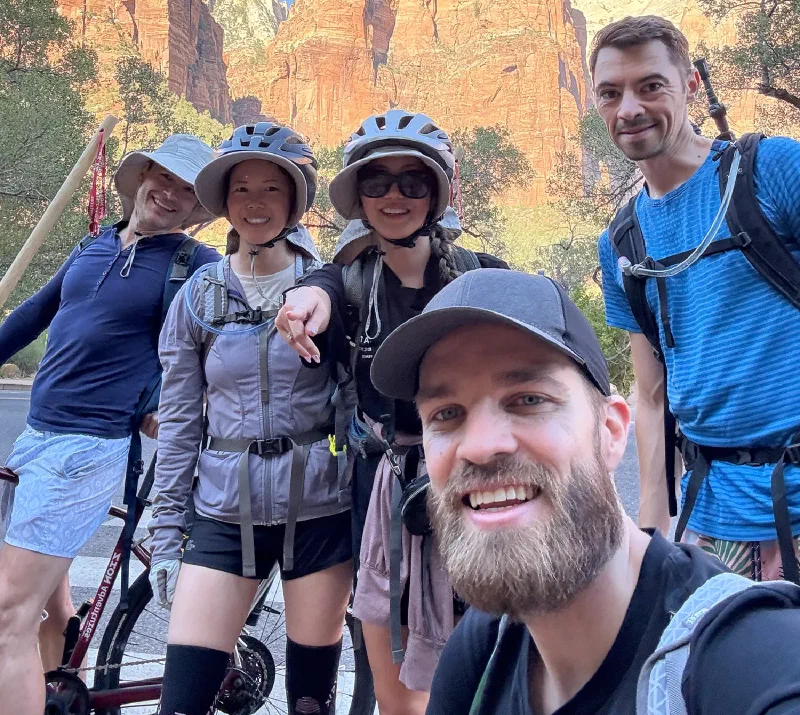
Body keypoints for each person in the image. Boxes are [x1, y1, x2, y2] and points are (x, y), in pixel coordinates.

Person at [368, 267, 800, 715]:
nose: (479, 446)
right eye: (446, 413)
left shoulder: (742, 658)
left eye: (528, 399)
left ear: (611, 430)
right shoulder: (481, 653)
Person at [276, 109, 508, 715]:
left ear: (439, 192)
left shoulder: (484, 279)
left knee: (488, 641)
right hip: (379, 485)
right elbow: (317, 289)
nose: (394, 195)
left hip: (476, 484)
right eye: (377, 182)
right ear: (359, 196)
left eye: (414, 181)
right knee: (384, 655)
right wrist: (306, 297)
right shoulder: (345, 287)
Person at [0, 134, 220, 715]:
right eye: (163, 178)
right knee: (46, 610)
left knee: (6, 616)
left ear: (197, 211)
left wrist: (168, 407)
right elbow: (31, 317)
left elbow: (224, 343)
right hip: (37, 438)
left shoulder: (195, 266)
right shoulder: (92, 245)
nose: (169, 194)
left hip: (90, 451)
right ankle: (54, 694)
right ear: (141, 176)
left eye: (186, 190)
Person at [149, 122, 353, 715]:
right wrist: (166, 538)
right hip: (221, 515)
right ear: (224, 200)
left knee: (310, 702)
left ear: (294, 201)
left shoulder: (331, 289)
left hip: (319, 512)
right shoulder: (198, 297)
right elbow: (182, 421)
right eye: (242, 189)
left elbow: (355, 408)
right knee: (181, 700)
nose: (256, 203)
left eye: (272, 188)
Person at [590, 15, 800, 580]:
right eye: (611, 93)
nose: (629, 108)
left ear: (691, 86)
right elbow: (651, 393)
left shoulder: (773, 171)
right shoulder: (622, 242)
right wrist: (654, 524)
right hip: (711, 518)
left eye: (650, 85)